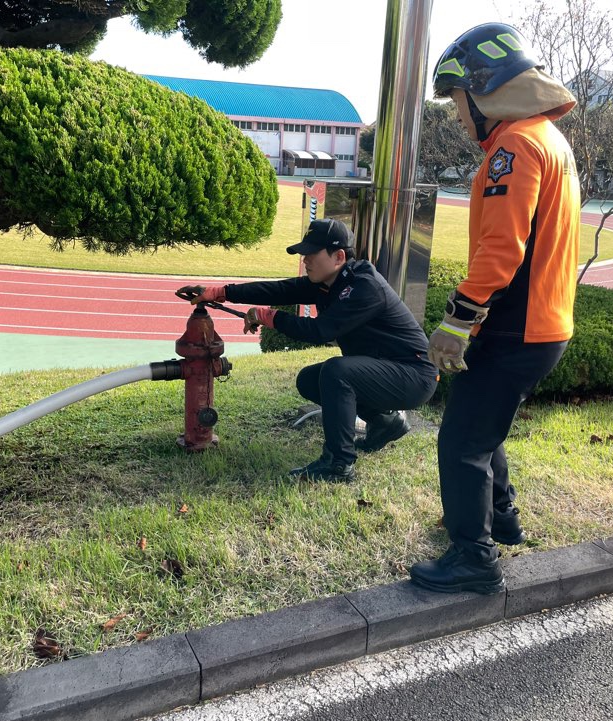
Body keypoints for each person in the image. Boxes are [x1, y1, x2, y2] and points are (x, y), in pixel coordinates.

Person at [409, 23, 581, 595]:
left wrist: (457, 321)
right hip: (540, 325)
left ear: (483, 91)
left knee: (461, 441)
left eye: (459, 101)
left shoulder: (516, 146)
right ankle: (501, 520)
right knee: (483, 427)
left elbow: (503, 248)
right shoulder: (549, 138)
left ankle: (473, 559)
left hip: (516, 325)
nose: (458, 116)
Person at [178, 218, 438, 482]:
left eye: (311, 254)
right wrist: (218, 291)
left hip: (414, 376)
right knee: (310, 380)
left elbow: (320, 331)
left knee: (338, 372)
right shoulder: (330, 282)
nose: (305, 260)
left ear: (338, 256)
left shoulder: (364, 286)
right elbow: (280, 290)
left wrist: (268, 317)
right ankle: (385, 422)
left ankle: (339, 464)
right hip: (389, 369)